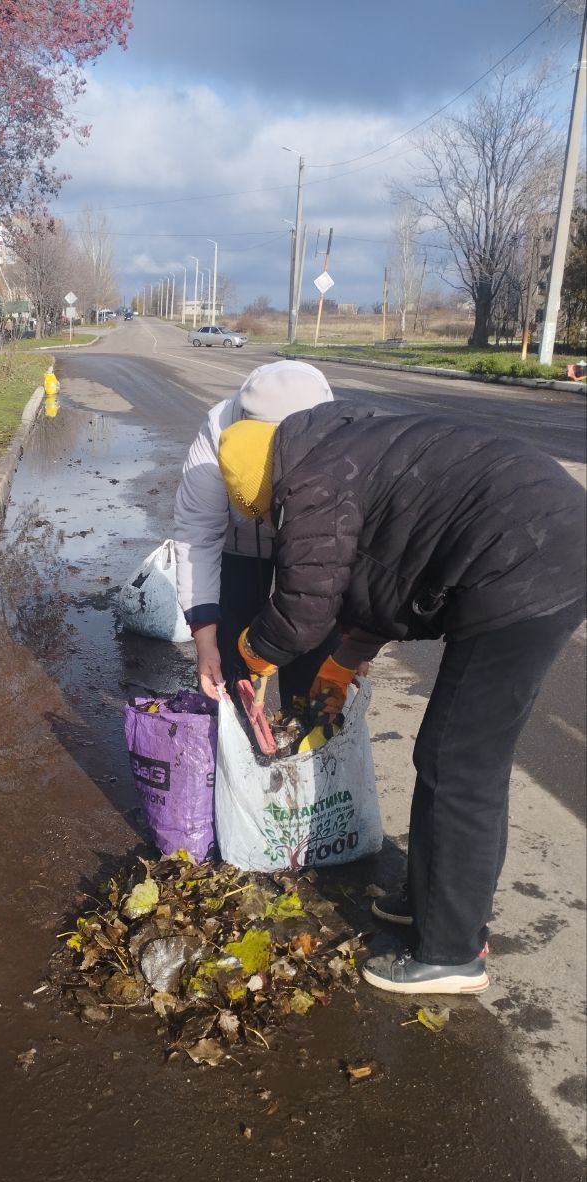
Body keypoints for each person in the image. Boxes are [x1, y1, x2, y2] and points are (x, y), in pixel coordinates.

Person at [187, 393, 585, 996]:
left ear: (265, 488)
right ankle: (433, 903)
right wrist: (347, 660)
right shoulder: (340, 443)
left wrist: (249, 653)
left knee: (460, 764)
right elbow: (388, 563)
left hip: (524, 564)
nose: (273, 522)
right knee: (452, 757)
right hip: (534, 542)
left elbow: (303, 608)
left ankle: (452, 952)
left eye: (267, 513)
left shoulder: (311, 480)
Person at [174, 361, 338, 707]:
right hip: (241, 545)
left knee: (314, 644)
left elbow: (357, 546)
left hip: (314, 546)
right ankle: (235, 718)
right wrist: (205, 644)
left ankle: (303, 721)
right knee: (232, 643)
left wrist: (353, 643)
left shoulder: (340, 432)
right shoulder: (219, 428)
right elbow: (197, 535)